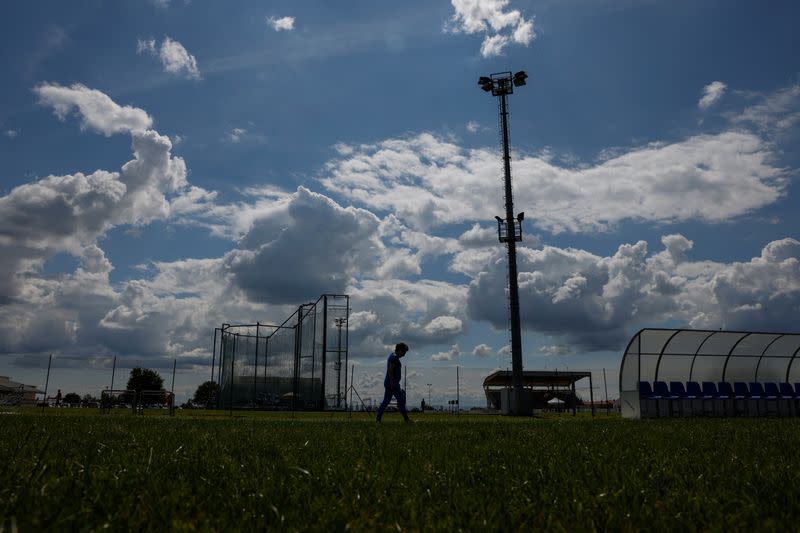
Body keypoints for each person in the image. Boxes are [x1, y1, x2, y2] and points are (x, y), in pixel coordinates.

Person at [376, 342, 411, 423]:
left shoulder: (392, 356)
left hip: (391, 383)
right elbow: (391, 370)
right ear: (399, 350)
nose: (404, 354)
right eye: (404, 352)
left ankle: (378, 419)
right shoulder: (394, 358)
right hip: (393, 384)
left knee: (386, 401)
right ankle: (406, 420)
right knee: (401, 400)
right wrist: (392, 382)